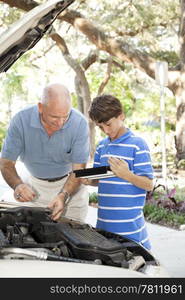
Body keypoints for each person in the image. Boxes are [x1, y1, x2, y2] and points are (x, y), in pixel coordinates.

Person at [0, 83, 90, 222]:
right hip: (34, 188)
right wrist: (18, 185)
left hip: (70, 189)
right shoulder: (20, 120)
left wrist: (63, 196)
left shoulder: (79, 123)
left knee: (74, 240)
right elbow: (6, 163)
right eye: (54, 117)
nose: (60, 123)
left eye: (65, 116)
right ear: (40, 107)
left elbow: (79, 171)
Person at [81, 94, 154, 250]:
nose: (105, 130)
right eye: (100, 127)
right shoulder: (102, 147)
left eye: (108, 124)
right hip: (104, 226)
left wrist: (126, 175)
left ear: (121, 116)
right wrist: (90, 180)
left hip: (131, 230)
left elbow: (149, 185)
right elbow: (101, 180)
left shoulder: (137, 145)